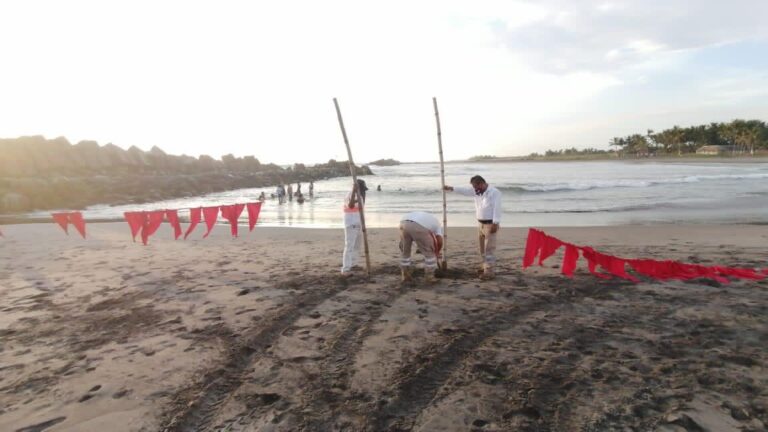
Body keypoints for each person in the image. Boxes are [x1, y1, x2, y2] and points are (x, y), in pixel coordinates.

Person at [444, 175, 502, 280]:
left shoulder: (494, 192)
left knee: (489, 249)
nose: (474, 189)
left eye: (475, 186)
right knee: (482, 248)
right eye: (473, 187)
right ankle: (484, 266)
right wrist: (452, 188)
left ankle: (489, 272)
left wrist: (495, 223)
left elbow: (497, 208)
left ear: (481, 183)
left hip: (490, 224)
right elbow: (465, 191)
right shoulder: (476, 191)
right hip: (480, 224)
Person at [399, 211, 443, 284]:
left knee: (405, 252)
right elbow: (440, 241)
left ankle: (405, 275)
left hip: (403, 223)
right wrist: (437, 252)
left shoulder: (429, 219)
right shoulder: (438, 226)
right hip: (419, 225)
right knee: (430, 253)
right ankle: (430, 277)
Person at [341, 179, 368, 276]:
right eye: (362, 189)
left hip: (358, 223)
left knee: (357, 246)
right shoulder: (350, 194)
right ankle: (345, 269)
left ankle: (354, 264)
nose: (364, 191)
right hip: (351, 223)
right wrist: (353, 190)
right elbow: (350, 205)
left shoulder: (359, 196)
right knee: (349, 246)